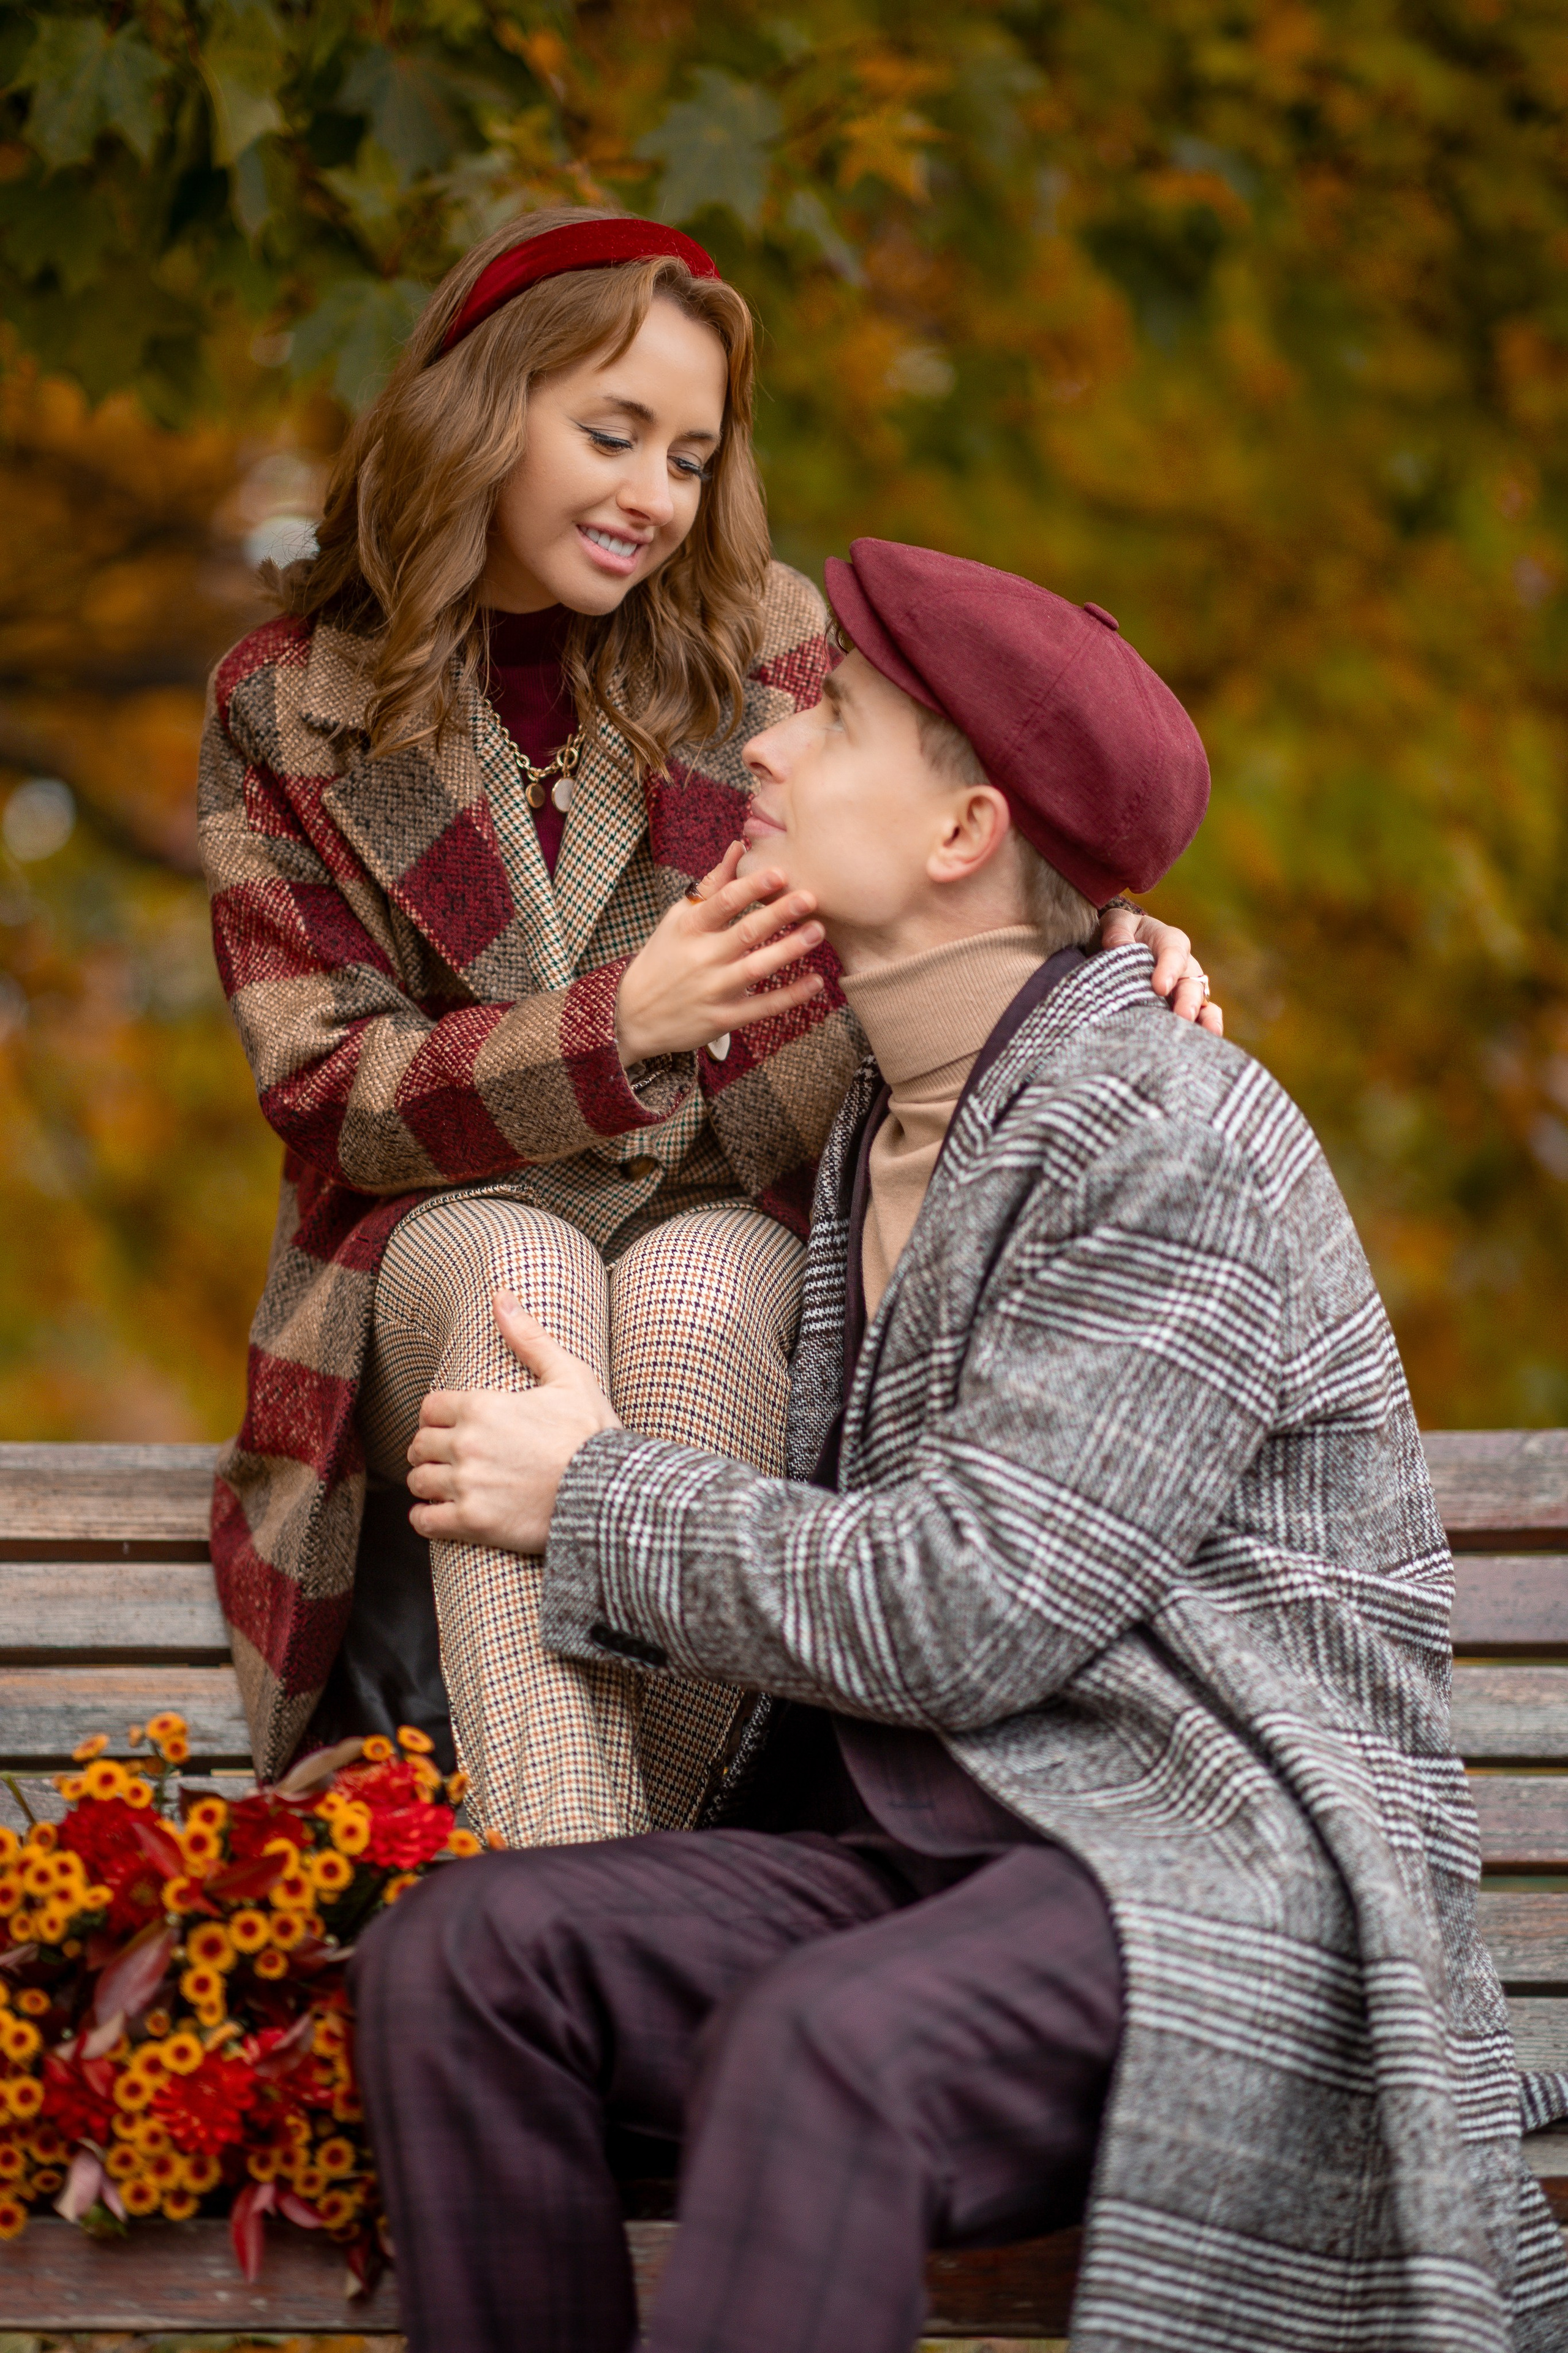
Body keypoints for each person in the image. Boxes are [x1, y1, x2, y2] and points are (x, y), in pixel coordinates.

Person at [353, 540, 1568, 2353]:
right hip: (945, 1846)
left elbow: (971, 1606)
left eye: (834, 715)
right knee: (468, 1953)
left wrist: (594, 1489)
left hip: (1209, 1870)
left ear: (958, 836)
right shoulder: (896, 1109)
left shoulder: (1168, 1128)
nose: (766, 748)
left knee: (827, 2041)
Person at [199, 208, 1212, 1841]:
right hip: (435, 1244)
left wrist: (1096, 945)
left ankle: (588, 1919)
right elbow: (331, 1090)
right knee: (527, 1284)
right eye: (612, 435)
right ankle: (589, 1950)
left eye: (690, 453)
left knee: (687, 1298)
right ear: (479, 409)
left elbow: (933, 864)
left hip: (723, 1200)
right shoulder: (286, 702)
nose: (654, 497)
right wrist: (621, 1021)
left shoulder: (767, 643)